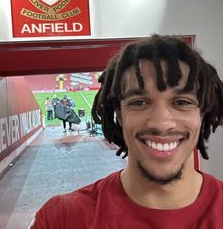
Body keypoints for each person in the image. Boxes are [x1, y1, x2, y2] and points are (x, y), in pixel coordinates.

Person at [29, 35, 223, 228]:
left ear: (202, 113)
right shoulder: (60, 219)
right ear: (119, 115)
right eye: (139, 103)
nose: (161, 123)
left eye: (182, 102)